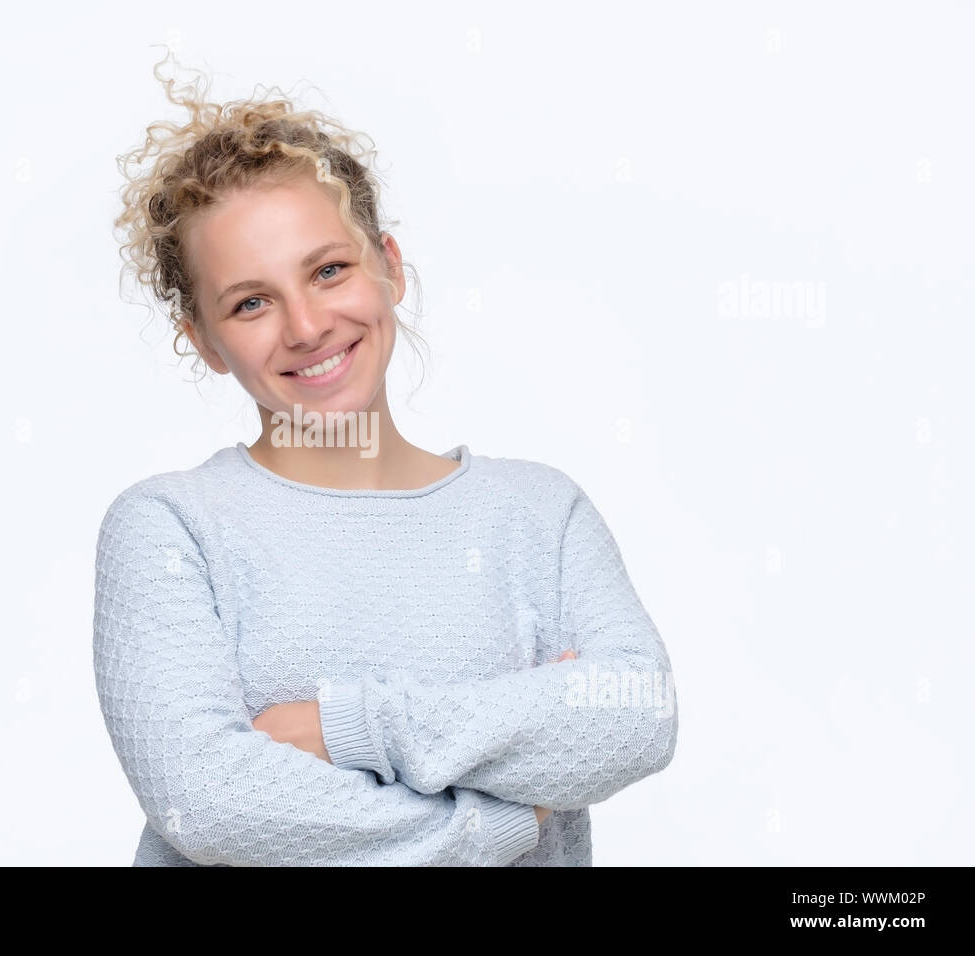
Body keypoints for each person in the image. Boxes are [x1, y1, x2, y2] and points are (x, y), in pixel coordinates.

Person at [93, 51, 678, 866]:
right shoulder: (170, 529)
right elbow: (207, 800)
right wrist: (503, 812)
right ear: (205, 342)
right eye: (251, 302)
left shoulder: (539, 516)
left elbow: (634, 712)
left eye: (329, 270)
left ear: (389, 268)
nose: (304, 326)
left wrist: (343, 727)